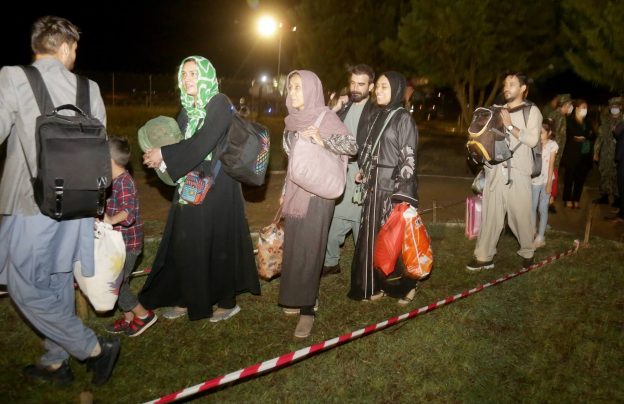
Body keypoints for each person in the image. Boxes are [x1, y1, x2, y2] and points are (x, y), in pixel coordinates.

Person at [0, 16, 120, 386]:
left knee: (23, 286)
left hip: (31, 203)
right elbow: (99, 146)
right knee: (57, 278)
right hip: (78, 205)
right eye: (74, 50)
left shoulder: (13, 77)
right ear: (65, 46)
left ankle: (93, 347)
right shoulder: (89, 88)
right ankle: (56, 360)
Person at [140, 56, 260, 322]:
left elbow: (203, 142)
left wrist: (165, 155)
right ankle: (187, 297)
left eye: (193, 73)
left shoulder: (219, 103)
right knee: (185, 241)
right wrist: (160, 158)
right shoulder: (188, 109)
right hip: (191, 184)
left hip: (218, 187)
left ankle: (227, 302)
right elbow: (180, 143)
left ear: (206, 76)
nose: (187, 79)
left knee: (217, 243)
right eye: (184, 74)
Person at [279, 70, 356, 338]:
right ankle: (295, 295)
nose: (292, 92)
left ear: (312, 89)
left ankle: (308, 307)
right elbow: (293, 162)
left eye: (298, 87)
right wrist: (284, 190)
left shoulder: (326, 117)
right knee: (294, 247)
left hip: (318, 195)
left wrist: (322, 140)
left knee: (311, 251)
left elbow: (351, 146)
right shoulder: (291, 121)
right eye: (290, 87)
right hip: (296, 192)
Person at [348, 71, 419, 304]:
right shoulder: (379, 115)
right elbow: (370, 148)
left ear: (397, 89)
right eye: (377, 86)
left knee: (394, 241)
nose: (378, 91)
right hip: (374, 187)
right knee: (373, 240)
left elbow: (408, 158)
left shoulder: (403, 118)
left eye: (384, 87)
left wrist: (402, 197)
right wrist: (364, 170)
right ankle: (373, 285)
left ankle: (406, 286)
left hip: (392, 190)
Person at [466, 71, 542, 271]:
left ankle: (527, 252)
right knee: (490, 216)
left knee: (521, 217)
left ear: (523, 88)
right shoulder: (496, 110)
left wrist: (509, 126)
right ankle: (484, 256)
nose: (506, 88)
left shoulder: (531, 111)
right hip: (495, 171)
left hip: (518, 173)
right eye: (505, 84)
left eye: (512, 84)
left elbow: (532, 139)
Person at [322, 64, 378, 277]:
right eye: (353, 83)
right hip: (342, 174)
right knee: (335, 219)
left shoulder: (376, 112)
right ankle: (330, 262)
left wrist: (368, 170)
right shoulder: (344, 106)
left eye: (361, 84)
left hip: (362, 175)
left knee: (360, 225)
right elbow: (323, 128)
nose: (355, 88)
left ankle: (366, 269)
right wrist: (334, 108)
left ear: (371, 87)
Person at [103, 136, 156, 337]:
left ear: (108, 160)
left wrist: (110, 220)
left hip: (128, 244)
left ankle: (143, 315)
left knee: (115, 284)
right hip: (117, 243)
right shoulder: (113, 180)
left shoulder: (124, 182)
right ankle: (128, 318)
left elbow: (128, 212)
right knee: (116, 280)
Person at [561, 99, 594, 209]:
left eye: (586, 108)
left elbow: (592, 134)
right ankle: (567, 199)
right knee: (569, 177)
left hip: (585, 155)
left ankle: (576, 199)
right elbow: (574, 133)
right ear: (577, 108)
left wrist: (583, 136)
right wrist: (585, 135)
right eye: (583, 107)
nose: (585, 109)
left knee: (580, 179)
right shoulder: (570, 120)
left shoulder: (587, 122)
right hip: (572, 154)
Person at [531, 118, 558, 248]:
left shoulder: (553, 145)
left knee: (542, 208)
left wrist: (549, 184)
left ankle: (540, 237)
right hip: (534, 180)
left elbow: (551, 165)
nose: (539, 135)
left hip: (546, 180)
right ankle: (532, 231)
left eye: (541, 132)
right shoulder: (534, 144)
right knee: (532, 207)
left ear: (549, 132)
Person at [593, 97, 623, 206]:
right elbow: (599, 138)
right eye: (612, 107)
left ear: (620, 107)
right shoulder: (605, 121)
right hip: (605, 153)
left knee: (617, 176)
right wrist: (596, 152)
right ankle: (604, 196)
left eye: (616, 106)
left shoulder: (622, 121)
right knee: (604, 173)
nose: (614, 109)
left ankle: (618, 199)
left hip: (619, 154)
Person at [547, 93, 574, 212]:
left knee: (553, 176)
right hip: (552, 153)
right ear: (565, 104)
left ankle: (550, 201)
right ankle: (549, 202)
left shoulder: (562, 116)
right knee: (552, 176)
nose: (570, 107)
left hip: (557, 153)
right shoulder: (555, 115)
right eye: (569, 104)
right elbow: (548, 134)